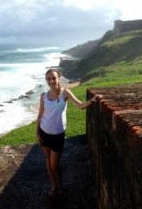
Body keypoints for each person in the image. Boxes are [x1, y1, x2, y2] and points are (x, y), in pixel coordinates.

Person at [36, 68, 102, 198]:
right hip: (44, 132)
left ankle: (59, 184)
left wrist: (92, 101)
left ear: (58, 78)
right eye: (48, 78)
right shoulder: (43, 96)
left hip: (57, 135)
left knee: (54, 166)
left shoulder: (65, 93)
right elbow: (40, 114)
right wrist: (37, 131)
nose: (51, 81)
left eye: (53, 78)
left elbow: (80, 105)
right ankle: (54, 186)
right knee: (48, 161)